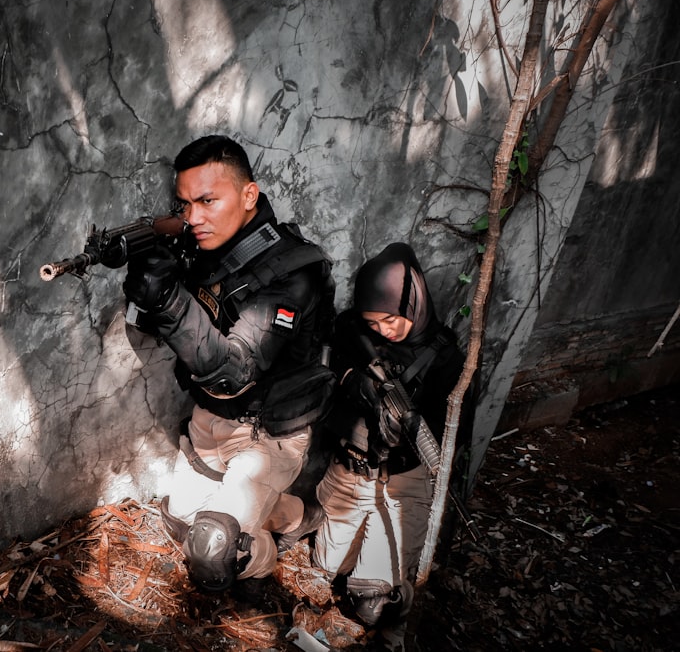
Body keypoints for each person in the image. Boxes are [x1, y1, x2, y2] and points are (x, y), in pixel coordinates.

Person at [122, 134, 334, 595]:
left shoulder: (294, 272)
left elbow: (234, 372)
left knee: (212, 547)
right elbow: (160, 328)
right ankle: (291, 515)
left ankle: (261, 552)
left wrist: (171, 300)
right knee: (180, 522)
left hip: (267, 435)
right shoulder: (203, 247)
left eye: (207, 201)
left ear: (248, 194)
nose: (193, 218)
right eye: (184, 205)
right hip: (209, 422)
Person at [312, 242, 470, 644]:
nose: (382, 330)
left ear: (412, 302)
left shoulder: (446, 356)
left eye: (390, 321)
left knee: (372, 602)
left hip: (403, 482)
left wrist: (405, 429)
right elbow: (329, 367)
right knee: (322, 568)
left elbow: (453, 431)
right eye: (374, 321)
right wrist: (357, 385)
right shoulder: (354, 328)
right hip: (350, 473)